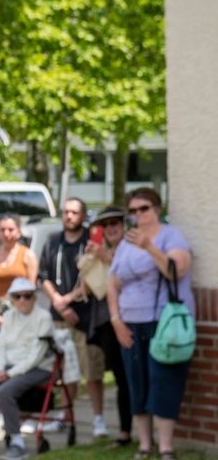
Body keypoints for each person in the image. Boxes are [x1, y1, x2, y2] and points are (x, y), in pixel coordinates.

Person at [108, 188, 193, 460]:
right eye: (132, 211)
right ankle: (145, 445)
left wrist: (149, 247)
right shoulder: (125, 243)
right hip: (130, 324)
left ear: (157, 208)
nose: (138, 215)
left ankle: (166, 447)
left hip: (161, 322)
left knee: (164, 381)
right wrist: (116, 320)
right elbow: (113, 283)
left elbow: (176, 270)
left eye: (143, 208)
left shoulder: (171, 236)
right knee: (137, 383)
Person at [37, 197, 107, 437]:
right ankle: (66, 417)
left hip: (87, 317)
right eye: (66, 212)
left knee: (92, 371)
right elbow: (43, 275)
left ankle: (98, 419)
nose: (69, 216)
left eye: (75, 213)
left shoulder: (91, 241)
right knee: (66, 372)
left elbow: (95, 275)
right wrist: (58, 301)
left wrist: (68, 300)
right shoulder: (53, 241)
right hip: (58, 317)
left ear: (84, 216)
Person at [0, 277, 55, 460]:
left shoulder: (43, 318)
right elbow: (0, 346)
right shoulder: (9, 317)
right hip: (10, 368)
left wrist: (8, 374)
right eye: (17, 296)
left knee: (4, 391)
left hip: (38, 368)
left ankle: (18, 443)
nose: (22, 300)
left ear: (34, 297)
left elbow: (36, 357)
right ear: (12, 298)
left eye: (27, 296)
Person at [85, 206, 133, 449]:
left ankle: (142, 433)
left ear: (124, 224)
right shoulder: (101, 252)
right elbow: (85, 287)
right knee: (120, 378)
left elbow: (129, 274)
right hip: (107, 324)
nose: (112, 227)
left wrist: (105, 255)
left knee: (134, 377)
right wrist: (88, 261)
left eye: (116, 222)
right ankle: (125, 432)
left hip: (132, 321)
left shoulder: (132, 247)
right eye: (106, 224)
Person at [0, 213, 38, 350]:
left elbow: (31, 289)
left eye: (10, 229)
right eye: (2, 229)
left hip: (19, 308)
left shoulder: (28, 255)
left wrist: (17, 314)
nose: (6, 233)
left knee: (17, 352)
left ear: (18, 231)